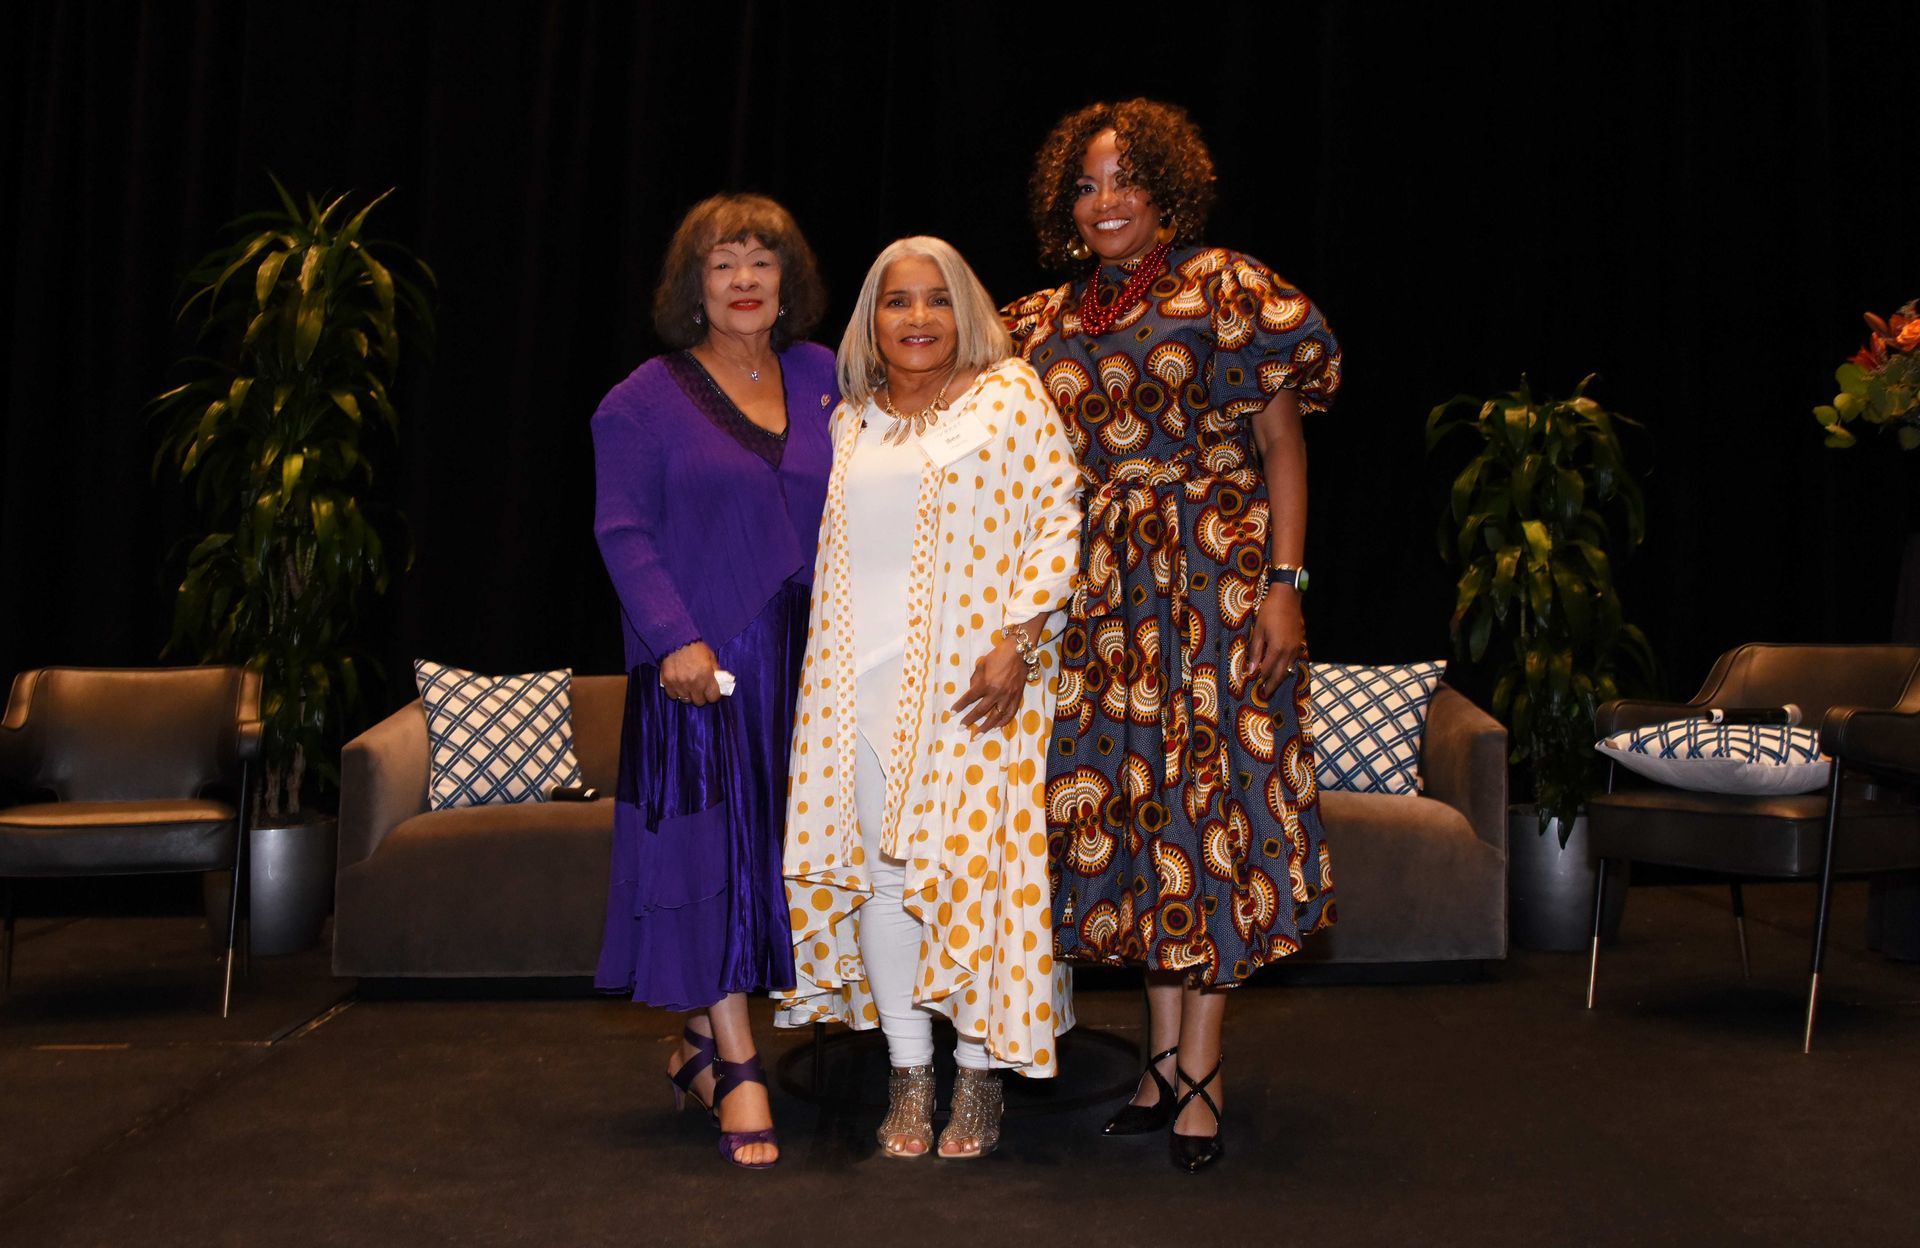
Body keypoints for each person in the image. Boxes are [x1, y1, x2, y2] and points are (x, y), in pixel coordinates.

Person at [1003, 99, 1343, 1173]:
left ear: (1167, 191)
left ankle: (1203, 1069)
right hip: (1100, 599)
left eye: (1125, 181)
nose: (1105, 203)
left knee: (1213, 815)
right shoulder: (1042, 320)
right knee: (1140, 817)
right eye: (1087, 186)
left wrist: (1284, 584)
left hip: (1215, 580)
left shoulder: (1232, 290)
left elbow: (1283, 446)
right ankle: (1157, 1062)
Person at [776, 237, 1082, 1160]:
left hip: (977, 690)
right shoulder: (852, 419)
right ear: (872, 320)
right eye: (896, 302)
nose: (916, 319)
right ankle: (911, 1075)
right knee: (884, 882)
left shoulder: (1009, 398)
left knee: (974, 882)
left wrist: (1019, 644)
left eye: (935, 300)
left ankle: (980, 1080)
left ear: (967, 311)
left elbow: (1057, 515)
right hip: (852, 693)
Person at [590, 193, 835, 1169]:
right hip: (705, 669)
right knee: (715, 861)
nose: (743, 281)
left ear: (789, 283)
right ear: (693, 286)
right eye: (722, 264)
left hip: (814, 664)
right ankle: (737, 1061)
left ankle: (696, 1045)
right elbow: (622, 531)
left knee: (781, 863)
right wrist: (675, 642)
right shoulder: (639, 400)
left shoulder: (827, 377)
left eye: (761, 263)